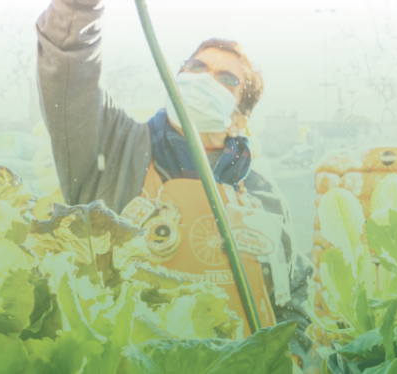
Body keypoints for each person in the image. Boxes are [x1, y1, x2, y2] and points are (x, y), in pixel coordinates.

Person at [35, 0, 317, 370]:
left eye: (226, 78)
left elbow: (292, 298)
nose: (204, 77)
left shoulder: (263, 195)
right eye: (196, 66)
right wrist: (79, 8)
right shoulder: (115, 150)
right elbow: (67, 69)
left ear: (240, 120)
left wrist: (294, 355)